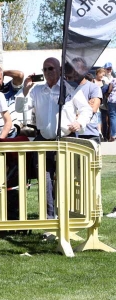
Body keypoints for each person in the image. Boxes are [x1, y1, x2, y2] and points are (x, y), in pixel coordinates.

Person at [23, 57, 93, 219]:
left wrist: (79, 122)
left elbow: (86, 110)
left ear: (60, 70)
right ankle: (49, 217)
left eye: (51, 68)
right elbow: (22, 109)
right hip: (43, 140)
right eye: (45, 69)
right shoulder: (36, 91)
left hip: (65, 139)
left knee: (66, 179)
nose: (48, 72)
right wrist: (25, 90)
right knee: (45, 180)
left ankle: (66, 216)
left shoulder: (70, 89)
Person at [64, 58, 102, 144]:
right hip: (71, 134)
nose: (76, 71)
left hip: (89, 134)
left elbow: (92, 109)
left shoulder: (94, 88)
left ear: (85, 69)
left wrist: (75, 116)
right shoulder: (66, 88)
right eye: (73, 68)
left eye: (79, 68)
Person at [106, 74, 116, 142]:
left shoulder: (114, 80)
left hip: (113, 99)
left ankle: (113, 135)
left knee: (113, 117)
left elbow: (109, 90)